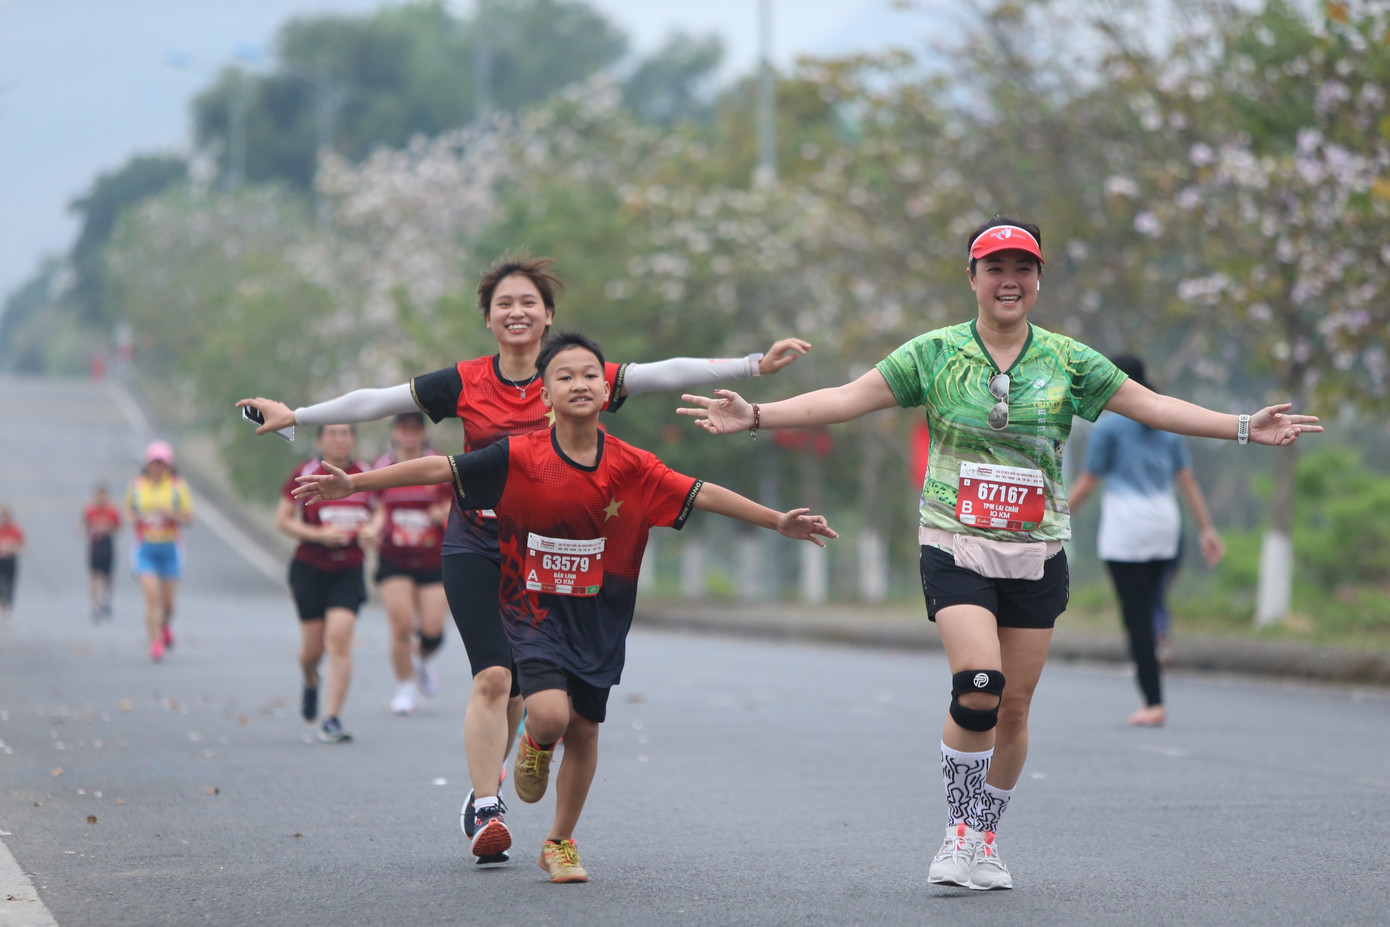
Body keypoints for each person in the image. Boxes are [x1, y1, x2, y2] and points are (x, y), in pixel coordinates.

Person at [677, 215, 1320, 891]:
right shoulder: (934, 353)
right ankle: (957, 833)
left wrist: (1245, 425)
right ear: (972, 278)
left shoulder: (1070, 361)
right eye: (995, 268)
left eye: (1023, 268)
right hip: (954, 543)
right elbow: (846, 398)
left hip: (1036, 552)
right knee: (979, 685)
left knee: (1013, 705)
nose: (1009, 281)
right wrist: (756, 414)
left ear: (1038, 279)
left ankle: (985, 836)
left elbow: (1152, 407)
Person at [237, 253, 811, 863]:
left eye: (528, 303)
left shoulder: (577, 373)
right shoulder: (463, 381)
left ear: (548, 316)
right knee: (493, 676)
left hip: (547, 553)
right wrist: (297, 416)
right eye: (503, 304)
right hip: (478, 543)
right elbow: (376, 401)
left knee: (533, 697)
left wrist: (754, 365)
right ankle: (487, 806)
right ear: (488, 319)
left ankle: (531, 757)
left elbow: (664, 373)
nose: (516, 312)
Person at [1066, 355, 1225, 727]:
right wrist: (1206, 529)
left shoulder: (1109, 427)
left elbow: (1089, 481)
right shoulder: (1166, 420)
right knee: (1153, 602)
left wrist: (1053, 517)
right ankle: (1161, 633)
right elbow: (1186, 479)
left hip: (1127, 527)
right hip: (1166, 524)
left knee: (1135, 617)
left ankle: (1153, 702)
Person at [277, 424, 375, 744]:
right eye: (332, 433)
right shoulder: (304, 472)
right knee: (313, 650)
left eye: (346, 432)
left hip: (349, 569)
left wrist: (373, 529)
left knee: (340, 640)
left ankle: (332, 717)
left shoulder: (365, 474)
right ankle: (310, 680)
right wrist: (319, 535)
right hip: (310, 568)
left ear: (354, 439)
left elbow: (382, 509)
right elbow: (283, 519)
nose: (339, 438)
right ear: (320, 439)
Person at [366, 412, 452, 716]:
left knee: (433, 630)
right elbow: (374, 507)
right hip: (394, 558)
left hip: (431, 557)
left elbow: (454, 501)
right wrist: (372, 530)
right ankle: (404, 688)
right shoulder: (381, 466)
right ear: (395, 432)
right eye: (404, 428)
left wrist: (442, 513)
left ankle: (421, 660)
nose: (410, 434)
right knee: (401, 625)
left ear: (423, 433)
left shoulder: (438, 462)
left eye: (416, 428)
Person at [126, 441, 194, 661]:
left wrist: (169, 514)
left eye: (161, 463)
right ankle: (155, 642)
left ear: (168, 465)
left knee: (168, 603)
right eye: (154, 463)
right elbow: (128, 512)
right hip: (145, 547)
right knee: (151, 597)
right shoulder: (137, 486)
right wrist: (138, 518)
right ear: (147, 464)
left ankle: (164, 625)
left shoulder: (177, 486)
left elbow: (188, 517)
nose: (157, 468)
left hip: (170, 548)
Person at [83, 483, 123, 621]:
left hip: (107, 544)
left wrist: (107, 529)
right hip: (95, 544)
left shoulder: (112, 511)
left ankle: (107, 599)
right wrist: (92, 530)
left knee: (108, 576)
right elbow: (83, 527)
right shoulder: (90, 510)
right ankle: (94, 606)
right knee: (94, 576)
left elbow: (119, 529)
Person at [0, 506, 25, 624]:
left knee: (10, 584)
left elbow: (23, 547)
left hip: (11, 560)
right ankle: (2, 604)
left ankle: (9, 607)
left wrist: (13, 548)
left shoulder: (15, 531)